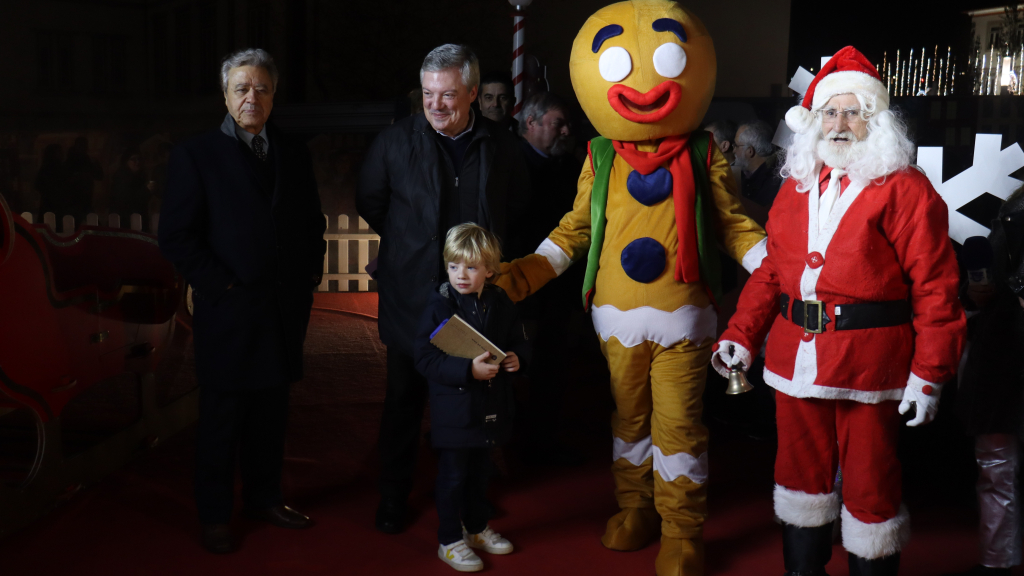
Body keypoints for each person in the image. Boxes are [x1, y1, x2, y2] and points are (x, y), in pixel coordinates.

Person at [493, 3, 768, 574]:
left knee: (680, 426)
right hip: (616, 316)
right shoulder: (598, 157)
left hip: (683, 316)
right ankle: (636, 507)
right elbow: (575, 229)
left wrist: (779, 265)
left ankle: (682, 529)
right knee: (628, 421)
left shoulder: (703, 152)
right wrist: (523, 272)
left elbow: (732, 226)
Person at [711, 46, 966, 576]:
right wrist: (741, 332)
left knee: (871, 489)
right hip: (793, 364)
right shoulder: (796, 186)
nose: (840, 123)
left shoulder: (906, 189)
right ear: (814, 121)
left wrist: (929, 374)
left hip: (869, 367)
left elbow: (936, 288)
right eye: (830, 111)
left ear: (875, 120)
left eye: (853, 111)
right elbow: (772, 273)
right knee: (799, 481)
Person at [356, 43, 530, 536]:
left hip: (478, 302)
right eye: (429, 93)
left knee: (474, 399)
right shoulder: (394, 142)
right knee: (403, 400)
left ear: (473, 93)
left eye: (448, 94)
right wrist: (409, 246)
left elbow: (516, 205)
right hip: (412, 296)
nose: (436, 104)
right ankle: (393, 495)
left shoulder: (501, 145)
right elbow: (370, 199)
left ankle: (474, 497)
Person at [158, 48, 326, 554]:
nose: (252, 97)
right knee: (222, 418)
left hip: (282, 309)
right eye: (241, 89)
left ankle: (265, 498)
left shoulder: (294, 152)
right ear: (226, 96)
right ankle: (214, 514)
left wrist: (306, 281)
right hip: (228, 311)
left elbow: (311, 223)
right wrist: (223, 287)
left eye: (262, 88)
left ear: (274, 95)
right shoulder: (196, 155)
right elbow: (177, 237)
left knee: (272, 412)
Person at [414, 223, 529, 572]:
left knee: (481, 473)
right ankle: (449, 540)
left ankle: (476, 529)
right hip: (455, 412)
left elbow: (519, 341)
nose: (460, 275)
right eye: (453, 266)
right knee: (452, 478)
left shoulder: (501, 302)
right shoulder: (438, 305)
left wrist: (517, 357)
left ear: (490, 270)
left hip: (490, 409)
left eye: (471, 267)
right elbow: (425, 358)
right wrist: (468, 371)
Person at [511, 91, 586, 465]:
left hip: (560, 289)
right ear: (531, 123)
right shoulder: (507, 166)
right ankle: (507, 444)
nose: (566, 131)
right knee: (512, 367)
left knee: (554, 368)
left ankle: (544, 442)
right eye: (558, 123)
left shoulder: (572, 169)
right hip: (520, 286)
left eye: (566, 124)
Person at [951, 222, 1024, 576]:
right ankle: (996, 563)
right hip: (1002, 363)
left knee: (998, 471)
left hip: (1003, 360)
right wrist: (978, 293)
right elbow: (979, 283)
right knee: (997, 470)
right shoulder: (1012, 214)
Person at [733, 120, 783, 210]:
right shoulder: (742, 176)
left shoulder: (774, 183)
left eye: (736, 146)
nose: (733, 151)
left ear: (749, 151)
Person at [64, 136, 102, 225]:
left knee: (94, 225)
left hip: (85, 201)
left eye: (84, 146)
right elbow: (65, 180)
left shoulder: (87, 160)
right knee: (73, 228)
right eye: (81, 145)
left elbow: (99, 176)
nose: (84, 148)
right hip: (73, 202)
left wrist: (95, 164)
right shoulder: (70, 162)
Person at [109, 146, 152, 224]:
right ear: (126, 161)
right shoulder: (122, 178)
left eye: (139, 159)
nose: (137, 162)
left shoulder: (139, 177)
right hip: (125, 222)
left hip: (137, 221)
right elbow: (129, 201)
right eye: (133, 159)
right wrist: (146, 190)